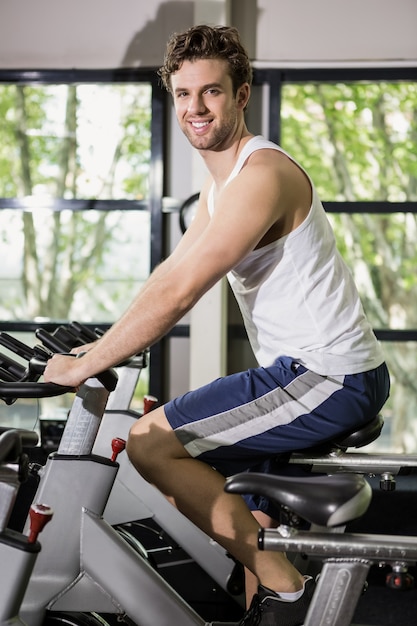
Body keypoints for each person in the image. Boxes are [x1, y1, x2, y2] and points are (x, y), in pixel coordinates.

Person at [44, 24, 390, 626]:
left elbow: (181, 293)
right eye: (183, 94)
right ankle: (272, 602)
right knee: (250, 514)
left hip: (327, 377)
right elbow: (168, 273)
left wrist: (84, 366)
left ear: (241, 94)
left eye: (211, 92)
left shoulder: (261, 175)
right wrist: (99, 345)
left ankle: (291, 594)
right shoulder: (219, 187)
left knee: (150, 442)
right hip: (313, 373)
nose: (195, 107)